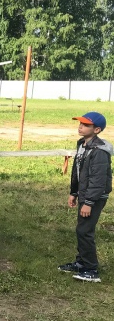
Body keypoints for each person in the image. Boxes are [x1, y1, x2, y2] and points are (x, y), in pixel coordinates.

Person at [58, 112, 113, 283]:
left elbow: (98, 180)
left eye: (86, 125)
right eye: (80, 123)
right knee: (81, 229)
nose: (80, 126)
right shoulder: (82, 144)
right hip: (85, 193)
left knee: (84, 231)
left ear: (97, 130)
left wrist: (89, 202)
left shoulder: (99, 151)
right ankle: (81, 262)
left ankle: (91, 269)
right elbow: (78, 172)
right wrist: (74, 192)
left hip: (95, 197)